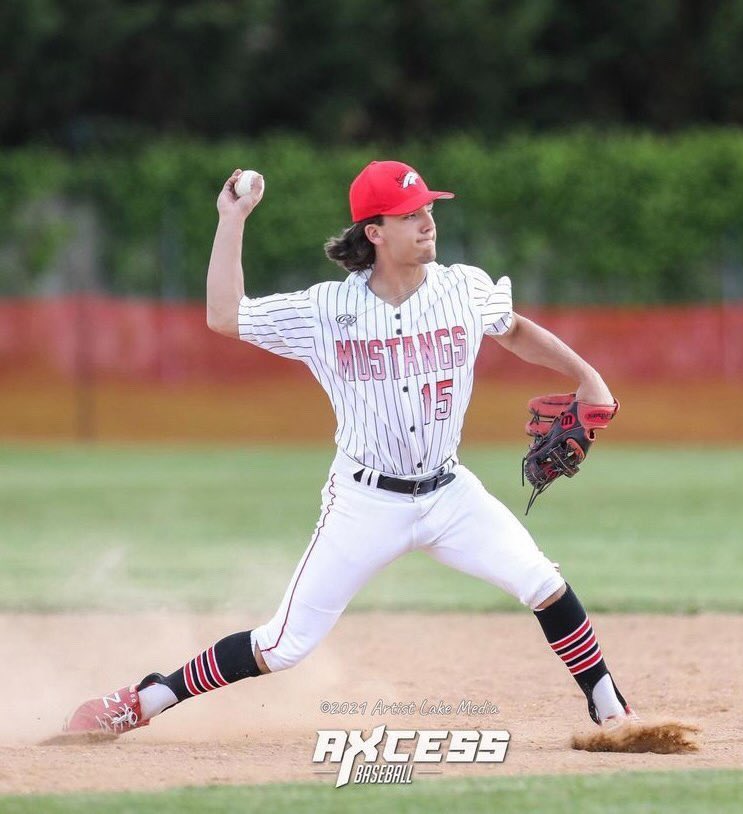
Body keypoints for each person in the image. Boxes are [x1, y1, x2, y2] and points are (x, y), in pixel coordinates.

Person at [63, 160, 635, 737]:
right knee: (282, 646)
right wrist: (231, 219)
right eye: (410, 214)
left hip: (450, 492)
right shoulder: (326, 311)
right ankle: (147, 697)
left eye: (428, 208)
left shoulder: (464, 288)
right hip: (365, 502)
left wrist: (590, 378)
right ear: (375, 233)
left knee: (543, 583)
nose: (427, 221)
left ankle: (610, 709)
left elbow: (512, 330)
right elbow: (225, 316)